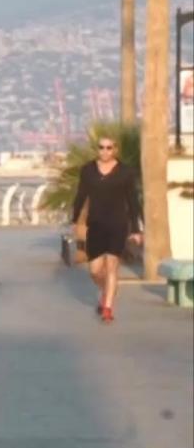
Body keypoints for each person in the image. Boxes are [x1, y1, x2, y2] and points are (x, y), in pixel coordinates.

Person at [71, 136, 142, 323]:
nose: (105, 151)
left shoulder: (125, 172)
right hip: (95, 225)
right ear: (97, 149)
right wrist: (74, 219)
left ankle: (108, 308)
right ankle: (106, 291)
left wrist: (136, 229)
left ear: (115, 149)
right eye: (101, 147)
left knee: (112, 266)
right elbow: (81, 195)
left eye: (109, 147)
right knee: (94, 270)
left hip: (118, 224)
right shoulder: (88, 170)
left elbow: (133, 202)